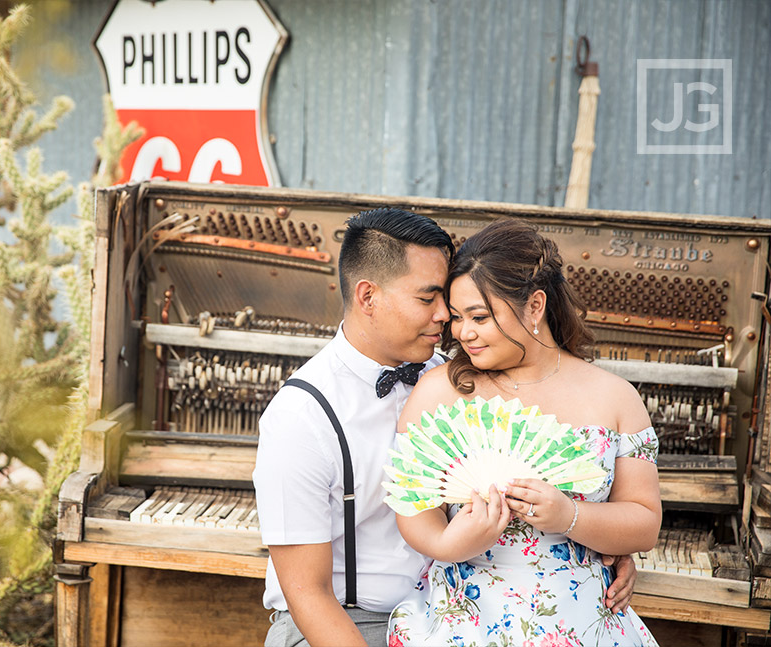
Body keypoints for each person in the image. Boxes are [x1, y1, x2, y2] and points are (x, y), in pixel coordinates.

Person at [253, 208, 637, 647]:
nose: (446, 319)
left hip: (451, 610)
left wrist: (600, 548)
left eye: (450, 305)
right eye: (427, 298)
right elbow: (307, 594)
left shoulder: (453, 380)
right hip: (352, 622)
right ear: (367, 297)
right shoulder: (300, 418)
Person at [386, 218, 661, 647]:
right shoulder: (439, 391)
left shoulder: (616, 397)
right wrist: (448, 543)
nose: (463, 333)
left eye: (479, 316)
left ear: (535, 306)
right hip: (464, 617)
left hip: (581, 622)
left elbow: (643, 522)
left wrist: (569, 515)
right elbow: (412, 505)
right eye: (457, 318)